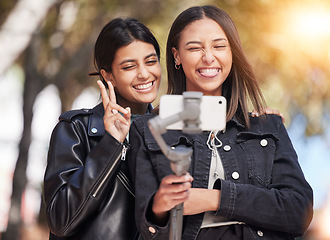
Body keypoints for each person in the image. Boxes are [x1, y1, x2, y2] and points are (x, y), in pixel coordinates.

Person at [128, 5, 313, 240]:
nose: (208, 57)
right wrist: (159, 208)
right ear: (177, 56)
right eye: (194, 48)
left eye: (219, 46)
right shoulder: (149, 129)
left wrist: (213, 199)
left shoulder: (267, 126)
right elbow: (150, 232)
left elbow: (299, 213)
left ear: (231, 52)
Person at [43, 17, 161, 240]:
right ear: (108, 76)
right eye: (129, 66)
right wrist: (111, 144)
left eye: (151, 61)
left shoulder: (170, 129)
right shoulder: (75, 130)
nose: (144, 74)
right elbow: (61, 221)